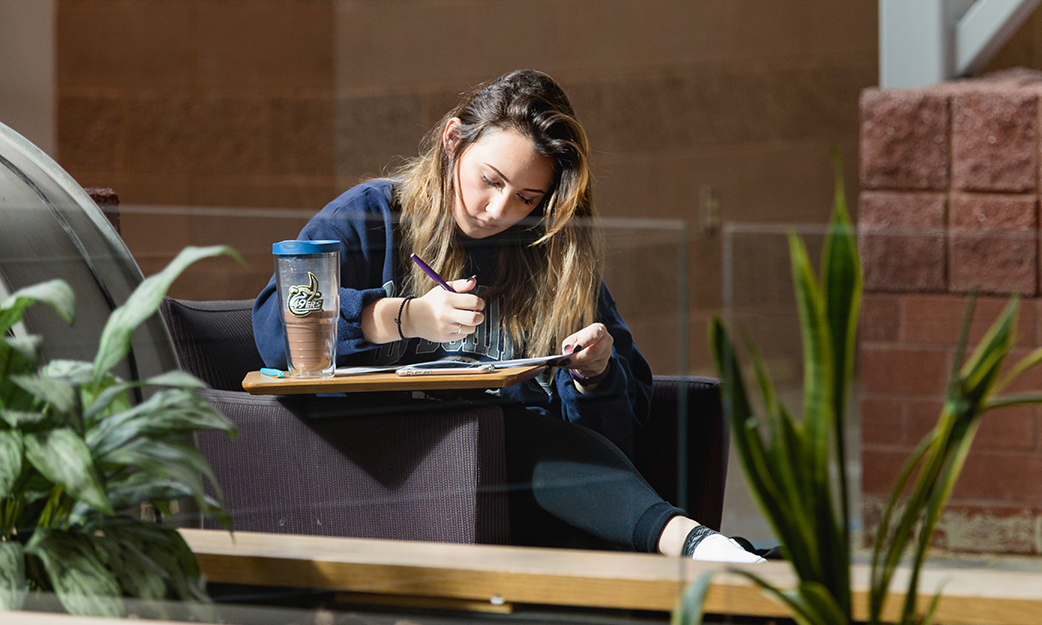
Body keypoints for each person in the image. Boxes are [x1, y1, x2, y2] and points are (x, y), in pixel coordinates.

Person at [253, 69, 761, 562]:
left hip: (534, 491)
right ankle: (701, 546)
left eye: (526, 198)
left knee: (533, 464)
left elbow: (622, 429)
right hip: (390, 473)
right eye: (489, 180)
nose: (498, 210)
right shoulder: (373, 217)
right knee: (496, 427)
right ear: (453, 140)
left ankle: (722, 557)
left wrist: (596, 374)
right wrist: (404, 317)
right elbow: (279, 325)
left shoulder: (550, 256)